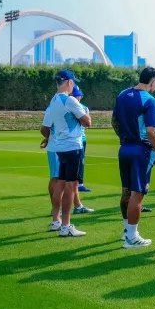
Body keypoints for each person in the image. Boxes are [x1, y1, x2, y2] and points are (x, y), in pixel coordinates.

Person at [111, 67, 155, 248]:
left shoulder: (122, 94)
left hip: (124, 148)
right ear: (153, 82)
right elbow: (151, 131)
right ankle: (132, 236)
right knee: (138, 194)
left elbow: (114, 121)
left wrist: (124, 138)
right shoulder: (149, 99)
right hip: (141, 152)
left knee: (126, 193)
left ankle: (126, 232)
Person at [40, 70, 92, 237]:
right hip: (72, 146)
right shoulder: (69, 100)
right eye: (73, 82)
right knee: (71, 186)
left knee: (60, 183)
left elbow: (45, 127)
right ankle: (66, 225)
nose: (74, 85)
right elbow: (88, 122)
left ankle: (57, 220)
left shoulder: (54, 101)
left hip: (60, 147)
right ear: (69, 82)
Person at [70, 86, 94, 213]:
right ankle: (73, 207)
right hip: (72, 142)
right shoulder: (68, 105)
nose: (78, 97)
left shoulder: (83, 107)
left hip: (80, 139)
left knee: (80, 164)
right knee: (69, 175)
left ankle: (80, 185)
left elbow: (87, 124)